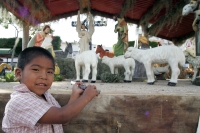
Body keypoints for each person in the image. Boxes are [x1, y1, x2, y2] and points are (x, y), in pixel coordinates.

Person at [2, 47, 98, 132]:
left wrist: (75, 94)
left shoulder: (46, 96)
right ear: (19, 73)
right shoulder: (19, 101)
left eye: (49, 72)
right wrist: (87, 96)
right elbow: (62, 117)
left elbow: (62, 121)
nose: (44, 76)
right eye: (36, 69)